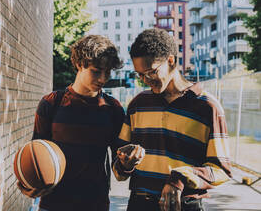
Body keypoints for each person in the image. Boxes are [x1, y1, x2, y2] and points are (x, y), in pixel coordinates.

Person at [113, 28, 232, 211]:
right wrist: (124, 163)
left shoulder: (208, 107)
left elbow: (221, 170)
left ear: (171, 60)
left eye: (151, 72)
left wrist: (180, 178)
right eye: (140, 74)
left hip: (184, 205)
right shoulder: (137, 105)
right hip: (139, 203)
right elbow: (119, 172)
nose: (145, 79)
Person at [18, 35, 135, 211]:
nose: (103, 79)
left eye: (108, 72)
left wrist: (127, 164)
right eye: (97, 71)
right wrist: (30, 185)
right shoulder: (51, 103)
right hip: (53, 205)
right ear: (80, 64)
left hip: (95, 204)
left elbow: (119, 172)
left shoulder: (113, 109)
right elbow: (36, 153)